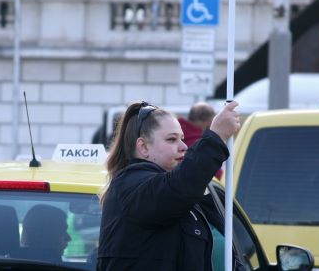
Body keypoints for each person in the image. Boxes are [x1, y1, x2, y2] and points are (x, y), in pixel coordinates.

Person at [97, 99, 241, 270]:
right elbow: (179, 188)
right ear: (143, 147)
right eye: (171, 139)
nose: (183, 146)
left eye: (182, 138)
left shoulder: (179, 191)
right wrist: (216, 136)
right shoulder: (131, 183)